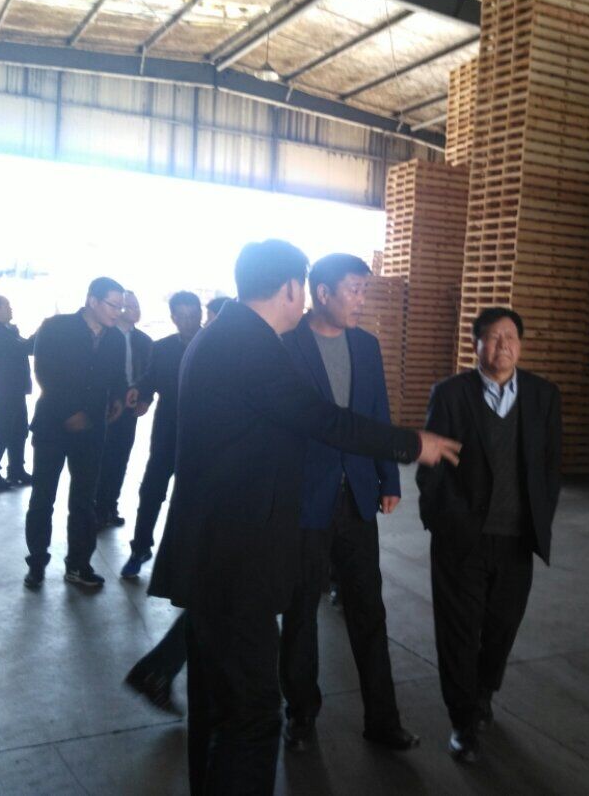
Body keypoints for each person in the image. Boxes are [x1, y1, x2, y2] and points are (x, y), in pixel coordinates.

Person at [147, 240, 460, 796]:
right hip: (235, 561)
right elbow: (323, 420)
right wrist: (412, 443)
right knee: (251, 716)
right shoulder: (253, 345)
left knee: (216, 710)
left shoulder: (222, 335)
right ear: (294, 287)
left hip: (216, 553)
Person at [278, 253, 418, 753]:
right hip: (305, 500)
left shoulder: (366, 345)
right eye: (354, 290)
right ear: (323, 293)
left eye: (364, 290)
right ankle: (301, 714)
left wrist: (389, 476)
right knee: (300, 613)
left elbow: (377, 413)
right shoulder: (287, 344)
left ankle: (383, 719)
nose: (362, 300)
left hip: (357, 496)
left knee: (368, 611)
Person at [416, 307, 562, 763]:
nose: (504, 345)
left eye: (511, 337)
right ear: (475, 343)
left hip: (516, 539)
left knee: (501, 628)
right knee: (459, 631)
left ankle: (483, 693)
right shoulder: (451, 394)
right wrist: (443, 520)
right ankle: (462, 720)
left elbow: (550, 465)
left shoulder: (542, 396)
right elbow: (431, 467)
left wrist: (541, 517)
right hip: (462, 539)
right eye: (494, 337)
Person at [23, 277, 130, 590]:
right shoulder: (56, 327)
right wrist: (70, 412)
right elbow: (44, 373)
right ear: (92, 301)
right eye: (113, 305)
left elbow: (117, 376)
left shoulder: (115, 338)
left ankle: (78, 565)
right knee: (43, 497)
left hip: (92, 430)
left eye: (121, 306)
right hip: (52, 427)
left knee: (84, 501)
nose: (118, 312)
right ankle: (37, 564)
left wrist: (120, 398)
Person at [120, 291, 202, 579]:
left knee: (192, 496)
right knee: (151, 490)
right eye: (183, 316)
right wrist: (139, 393)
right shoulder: (163, 347)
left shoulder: (215, 347)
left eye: (193, 315)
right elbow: (151, 379)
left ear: (201, 314)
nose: (189, 322)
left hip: (202, 436)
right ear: (173, 318)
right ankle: (140, 548)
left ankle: (187, 555)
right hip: (167, 432)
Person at [95, 291, 152, 528]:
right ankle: (97, 509)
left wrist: (144, 399)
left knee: (120, 458)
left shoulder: (144, 341)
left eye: (137, 306)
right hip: (106, 406)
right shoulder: (104, 335)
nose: (134, 310)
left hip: (130, 407)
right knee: (102, 459)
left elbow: (149, 375)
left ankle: (111, 505)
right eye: (128, 306)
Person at [0, 295, 32, 491]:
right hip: (4, 390)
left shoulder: (8, 330)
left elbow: (27, 347)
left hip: (15, 388)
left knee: (19, 430)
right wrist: (44, 331)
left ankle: (16, 470)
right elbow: (22, 348)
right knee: (2, 432)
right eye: (7, 306)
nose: (11, 309)